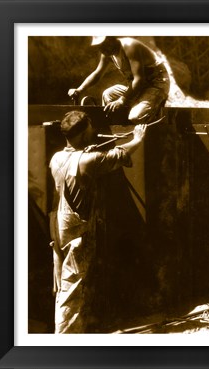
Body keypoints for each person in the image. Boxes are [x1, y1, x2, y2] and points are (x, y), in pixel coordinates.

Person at [49, 110, 148, 333]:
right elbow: (117, 155)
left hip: (60, 227)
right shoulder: (88, 161)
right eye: (90, 127)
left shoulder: (57, 158)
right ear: (84, 133)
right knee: (71, 293)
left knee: (71, 287)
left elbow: (78, 160)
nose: (94, 130)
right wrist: (138, 138)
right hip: (77, 234)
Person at [68, 36, 170, 124]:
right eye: (100, 47)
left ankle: (154, 111)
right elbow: (97, 74)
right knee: (108, 94)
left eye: (104, 44)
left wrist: (122, 100)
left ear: (111, 39)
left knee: (135, 117)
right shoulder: (108, 53)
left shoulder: (130, 46)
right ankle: (117, 126)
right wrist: (79, 90)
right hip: (140, 88)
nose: (103, 49)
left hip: (157, 85)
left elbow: (139, 80)